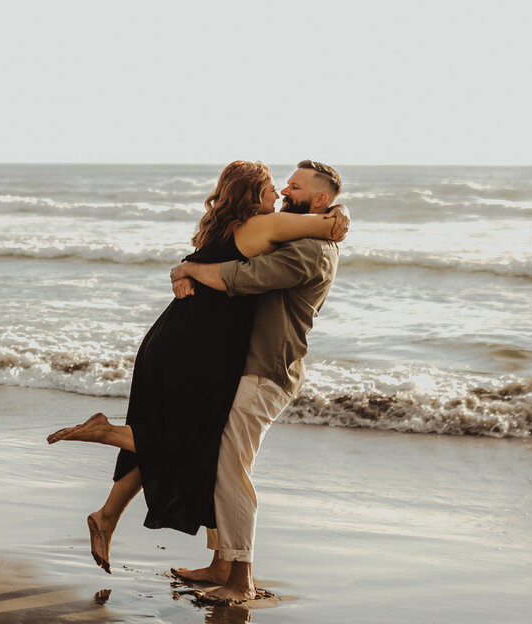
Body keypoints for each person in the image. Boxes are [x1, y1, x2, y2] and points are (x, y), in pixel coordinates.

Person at [47, 161, 347, 578]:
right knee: (198, 443)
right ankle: (108, 435)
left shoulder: (229, 226)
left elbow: (212, 262)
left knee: (199, 442)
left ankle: (111, 516)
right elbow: (319, 231)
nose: (279, 194)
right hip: (196, 348)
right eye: (274, 188)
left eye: (289, 187)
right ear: (250, 195)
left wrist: (184, 269)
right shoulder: (264, 227)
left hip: (182, 341)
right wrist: (336, 216)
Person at [168, 160, 344, 603]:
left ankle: (240, 578)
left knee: (232, 469)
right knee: (222, 462)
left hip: (268, 371)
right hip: (246, 366)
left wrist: (188, 269)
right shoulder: (302, 231)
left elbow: (242, 279)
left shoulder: (312, 249)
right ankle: (220, 563)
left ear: (320, 200)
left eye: (296, 185)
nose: (286, 188)